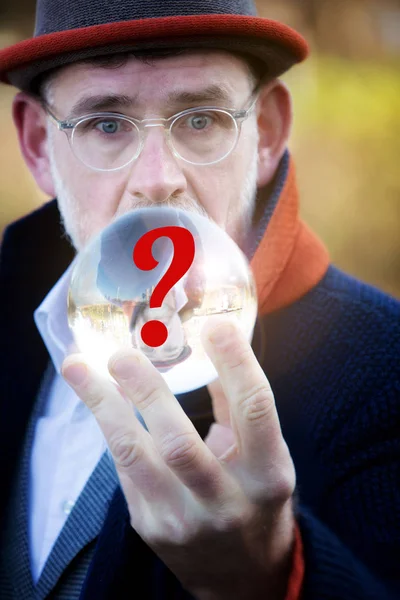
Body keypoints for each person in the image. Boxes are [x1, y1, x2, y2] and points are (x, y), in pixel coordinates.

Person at [0, 1, 399, 599]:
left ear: (263, 133)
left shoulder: (384, 370)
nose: (158, 177)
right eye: (106, 125)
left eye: (199, 119)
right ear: (37, 146)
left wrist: (271, 575)